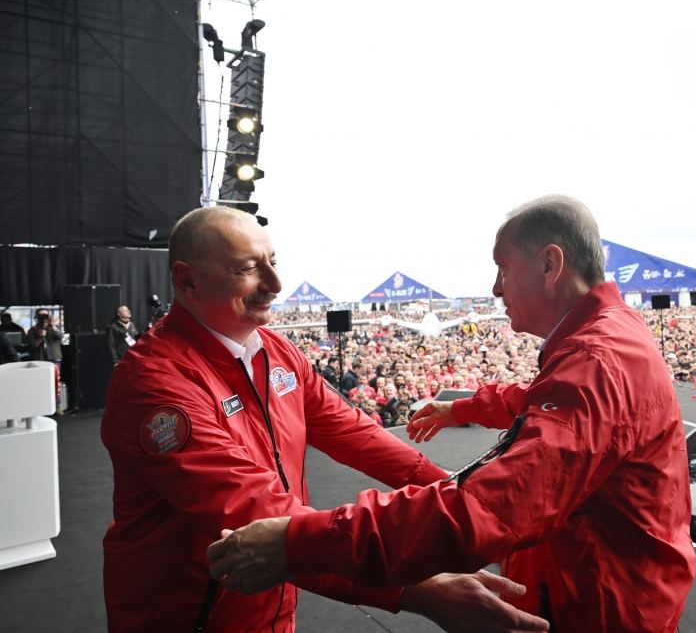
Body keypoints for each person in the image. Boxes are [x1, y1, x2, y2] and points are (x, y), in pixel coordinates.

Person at [208, 195, 696, 632]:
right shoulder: (604, 339)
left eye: (503, 268)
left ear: (550, 265)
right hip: (602, 589)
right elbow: (538, 401)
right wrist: (458, 413)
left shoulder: (597, 358)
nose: (496, 288)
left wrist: (299, 541)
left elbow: (493, 508)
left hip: (602, 606)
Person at [101, 207, 543, 633]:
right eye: (248, 269)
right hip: (184, 614)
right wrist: (417, 590)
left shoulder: (277, 351)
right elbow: (249, 511)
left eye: (273, 262)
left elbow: (353, 432)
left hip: (270, 601)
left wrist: (459, 495)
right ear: (186, 279)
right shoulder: (155, 384)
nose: (275, 284)